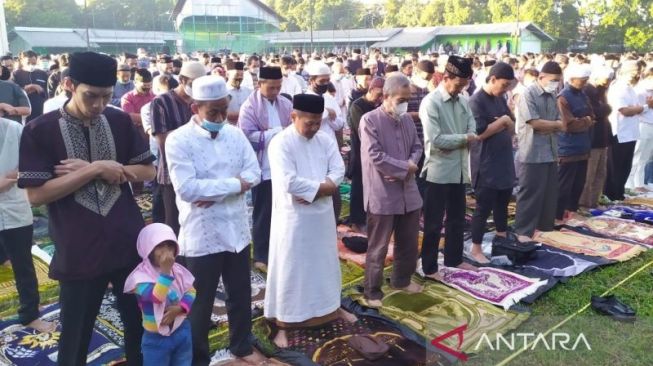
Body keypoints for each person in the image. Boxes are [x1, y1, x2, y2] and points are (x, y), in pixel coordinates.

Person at [18, 51, 156, 366]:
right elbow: (36, 196)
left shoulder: (119, 120)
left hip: (127, 241)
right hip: (78, 246)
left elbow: (148, 172)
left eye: (105, 96)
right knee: (76, 335)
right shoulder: (41, 129)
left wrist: (108, 169)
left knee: (140, 326)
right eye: (90, 96)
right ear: (69, 84)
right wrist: (93, 170)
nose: (97, 105)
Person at [166, 75, 267, 365]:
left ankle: (242, 346)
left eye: (224, 109)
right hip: (202, 234)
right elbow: (187, 189)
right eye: (214, 112)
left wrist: (217, 189)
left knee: (240, 293)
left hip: (236, 229)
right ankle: (197, 359)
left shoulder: (234, 134)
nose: (221, 117)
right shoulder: (178, 140)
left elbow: (254, 174)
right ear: (195, 108)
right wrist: (234, 185)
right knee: (199, 303)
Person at [265, 93, 355, 348]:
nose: (315, 127)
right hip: (293, 219)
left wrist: (323, 189)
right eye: (309, 123)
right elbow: (288, 182)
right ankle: (284, 323)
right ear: (294, 117)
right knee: (292, 267)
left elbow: (338, 169)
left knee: (324, 263)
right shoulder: (280, 143)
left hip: (322, 215)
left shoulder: (325, 140)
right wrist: (322, 188)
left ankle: (330, 309)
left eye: (318, 122)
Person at [359, 74, 424, 308]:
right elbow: (375, 155)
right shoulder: (369, 120)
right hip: (382, 194)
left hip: (409, 192)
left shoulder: (406, 120)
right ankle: (372, 291)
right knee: (378, 246)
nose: (405, 104)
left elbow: (417, 147)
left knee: (408, 242)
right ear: (385, 96)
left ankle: (401, 280)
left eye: (407, 99)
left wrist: (409, 166)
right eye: (400, 99)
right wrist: (403, 168)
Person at [420, 56, 479, 280]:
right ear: (446, 78)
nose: (461, 89)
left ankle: (454, 259)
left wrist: (466, 136)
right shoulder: (431, 102)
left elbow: (472, 125)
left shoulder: (463, 100)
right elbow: (436, 140)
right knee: (434, 223)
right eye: (458, 84)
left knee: (457, 218)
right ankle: (430, 267)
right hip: (438, 171)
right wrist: (465, 138)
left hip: (459, 169)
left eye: (464, 85)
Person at [0, 117, 55, 333]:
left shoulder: (15, 130)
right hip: (13, 203)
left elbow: (36, 165)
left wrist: (12, 177)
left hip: (15, 207)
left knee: (23, 264)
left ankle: (30, 315)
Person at [239, 66, 292, 272]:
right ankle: (261, 255)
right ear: (260, 84)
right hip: (263, 165)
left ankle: (280, 250)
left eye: (278, 87)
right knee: (263, 211)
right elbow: (247, 136)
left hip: (284, 164)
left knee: (284, 210)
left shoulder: (286, 103)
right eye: (271, 88)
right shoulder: (249, 107)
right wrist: (277, 132)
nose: (275, 91)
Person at [124, 223, 196, 366]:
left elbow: (191, 291)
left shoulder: (178, 270)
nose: (166, 252)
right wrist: (165, 273)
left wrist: (181, 308)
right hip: (155, 339)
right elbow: (157, 297)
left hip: (181, 330)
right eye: (160, 246)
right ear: (147, 249)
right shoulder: (139, 278)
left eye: (170, 246)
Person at [468, 62, 517, 264]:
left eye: (509, 86)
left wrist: (506, 122)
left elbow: (511, 123)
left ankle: (502, 238)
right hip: (486, 163)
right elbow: (479, 134)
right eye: (504, 85)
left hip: (504, 159)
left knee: (503, 202)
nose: (506, 89)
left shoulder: (501, 99)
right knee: (483, 207)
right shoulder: (476, 101)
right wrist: (502, 122)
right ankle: (476, 247)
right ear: (493, 79)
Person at [151, 61, 206, 235]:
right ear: (182, 79)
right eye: (193, 83)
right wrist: (195, 131)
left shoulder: (201, 101)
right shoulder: (161, 102)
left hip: (200, 171)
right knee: (174, 224)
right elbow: (162, 140)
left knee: (196, 222)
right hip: (171, 173)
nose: (196, 88)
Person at [513, 61, 563, 242]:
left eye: (558, 81)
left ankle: (544, 228)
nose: (556, 84)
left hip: (550, 150)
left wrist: (551, 126)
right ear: (541, 77)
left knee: (549, 193)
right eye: (553, 80)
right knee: (530, 194)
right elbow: (534, 123)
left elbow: (559, 123)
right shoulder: (528, 94)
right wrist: (554, 125)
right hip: (532, 152)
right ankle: (523, 232)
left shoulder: (552, 94)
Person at [606, 60, 651, 201]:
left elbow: (634, 108)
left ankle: (619, 194)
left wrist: (640, 108)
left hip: (631, 133)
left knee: (625, 166)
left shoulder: (630, 88)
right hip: (620, 132)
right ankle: (611, 195)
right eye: (634, 72)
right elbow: (625, 110)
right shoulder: (619, 87)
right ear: (625, 72)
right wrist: (646, 107)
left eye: (638, 71)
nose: (637, 74)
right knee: (615, 167)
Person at [556, 64, 594, 222]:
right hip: (568, 149)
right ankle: (557, 215)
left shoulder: (583, 95)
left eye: (586, 80)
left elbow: (593, 115)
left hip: (582, 147)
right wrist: (585, 121)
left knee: (578, 184)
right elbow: (568, 125)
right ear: (572, 79)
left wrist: (584, 120)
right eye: (582, 80)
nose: (585, 83)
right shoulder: (563, 97)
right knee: (564, 186)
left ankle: (571, 211)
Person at [347, 78, 384, 233]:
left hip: (375, 151)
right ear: (371, 89)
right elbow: (363, 131)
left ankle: (368, 218)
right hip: (360, 152)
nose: (381, 97)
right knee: (358, 187)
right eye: (379, 94)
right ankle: (355, 221)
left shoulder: (378, 105)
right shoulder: (357, 106)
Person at [579, 66, 613, 208]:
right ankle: (584, 204)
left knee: (600, 174)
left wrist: (605, 109)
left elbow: (605, 110)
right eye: (606, 80)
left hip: (602, 138)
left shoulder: (601, 91)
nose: (607, 84)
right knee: (589, 175)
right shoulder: (588, 91)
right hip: (592, 140)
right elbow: (595, 112)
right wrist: (606, 109)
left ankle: (594, 202)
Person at [627, 67, 653, 189]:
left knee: (645, 156)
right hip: (642, 124)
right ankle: (630, 183)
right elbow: (634, 108)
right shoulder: (640, 90)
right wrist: (648, 105)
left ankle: (640, 182)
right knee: (637, 154)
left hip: (651, 124)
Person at [12, 50, 48, 122]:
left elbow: (48, 93)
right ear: (22, 61)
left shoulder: (43, 74)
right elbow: (13, 93)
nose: (31, 65)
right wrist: (27, 88)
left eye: (33, 63)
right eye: (28, 62)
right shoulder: (16, 74)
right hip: (24, 113)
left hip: (41, 111)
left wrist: (40, 89)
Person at [122, 68, 155, 142]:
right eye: (144, 86)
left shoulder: (154, 96)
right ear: (135, 83)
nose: (147, 89)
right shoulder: (127, 98)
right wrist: (153, 118)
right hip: (135, 135)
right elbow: (131, 117)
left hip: (153, 134)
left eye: (149, 86)